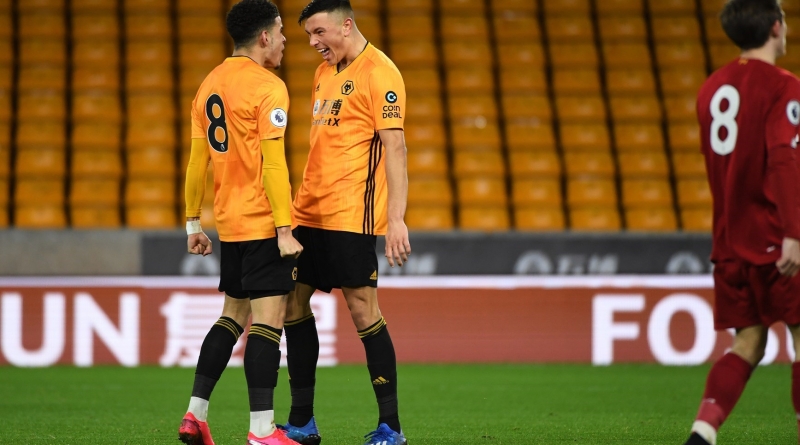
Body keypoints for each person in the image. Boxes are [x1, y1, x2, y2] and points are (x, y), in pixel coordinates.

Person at [277, 1, 411, 444]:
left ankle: (391, 426)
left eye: (319, 32)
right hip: (307, 213)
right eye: (307, 36)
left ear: (346, 25)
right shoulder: (323, 73)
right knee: (292, 306)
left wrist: (396, 219)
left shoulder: (381, 72)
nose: (313, 43)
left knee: (362, 311)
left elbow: (395, 148)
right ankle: (302, 423)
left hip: (352, 214)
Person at [177, 1, 303, 444]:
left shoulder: (208, 84)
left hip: (229, 224)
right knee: (268, 323)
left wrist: (193, 223)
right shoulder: (269, 87)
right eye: (281, 31)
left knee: (231, 316)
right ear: (264, 36)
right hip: (263, 223)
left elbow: (197, 163)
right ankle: (262, 431)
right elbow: (274, 164)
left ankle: (195, 414)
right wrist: (284, 229)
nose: (285, 40)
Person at [685, 1, 800, 444]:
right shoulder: (783, 86)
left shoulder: (711, 88)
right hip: (775, 234)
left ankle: (702, 432)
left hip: (730, 241)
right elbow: (784, 159)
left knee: (748, 343)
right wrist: (793, 232)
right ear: (775, 27)